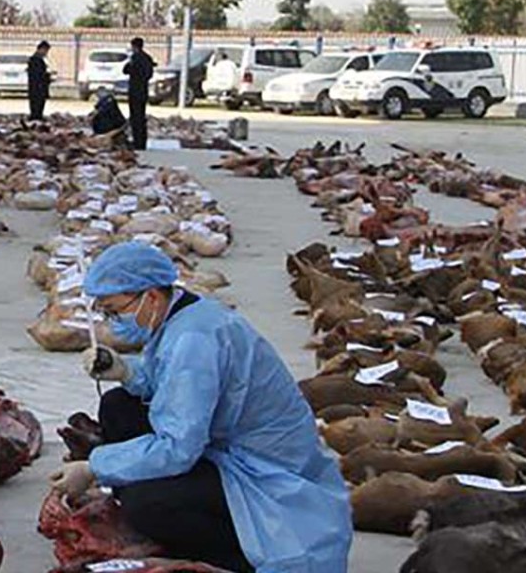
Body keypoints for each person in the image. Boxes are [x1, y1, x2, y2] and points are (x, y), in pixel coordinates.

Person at [49, 242, 352, 573]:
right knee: (118, 405)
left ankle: (231, 556)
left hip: (265, 468)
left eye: (114, 310)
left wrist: (94, 466)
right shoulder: (182, 315)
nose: (112, 319)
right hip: (222, 442)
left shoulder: (195, 339)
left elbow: (178, 447)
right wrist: (125, 371)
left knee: (147, 505)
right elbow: (168, 382)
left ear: (150, 297)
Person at [123, 37, 155, 150]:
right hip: (143, 90)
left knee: (135, 117)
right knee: (141, 117)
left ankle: (137, 142)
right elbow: (150, 74)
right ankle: (142, 142)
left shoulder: (135, 58)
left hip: (134, 90)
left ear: (134, 46)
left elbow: (125, 70)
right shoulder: (147, 58)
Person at [27, 40, 52, 120]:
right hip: (37, 87)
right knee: (37, 105)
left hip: (38, 87)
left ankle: (37, 116)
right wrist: (47, 77)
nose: (46, 53)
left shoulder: (37, 59)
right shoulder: (35, 60)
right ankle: (36, 118)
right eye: (46, 50)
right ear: (41, 49)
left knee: (39, 105)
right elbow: (38, 75)